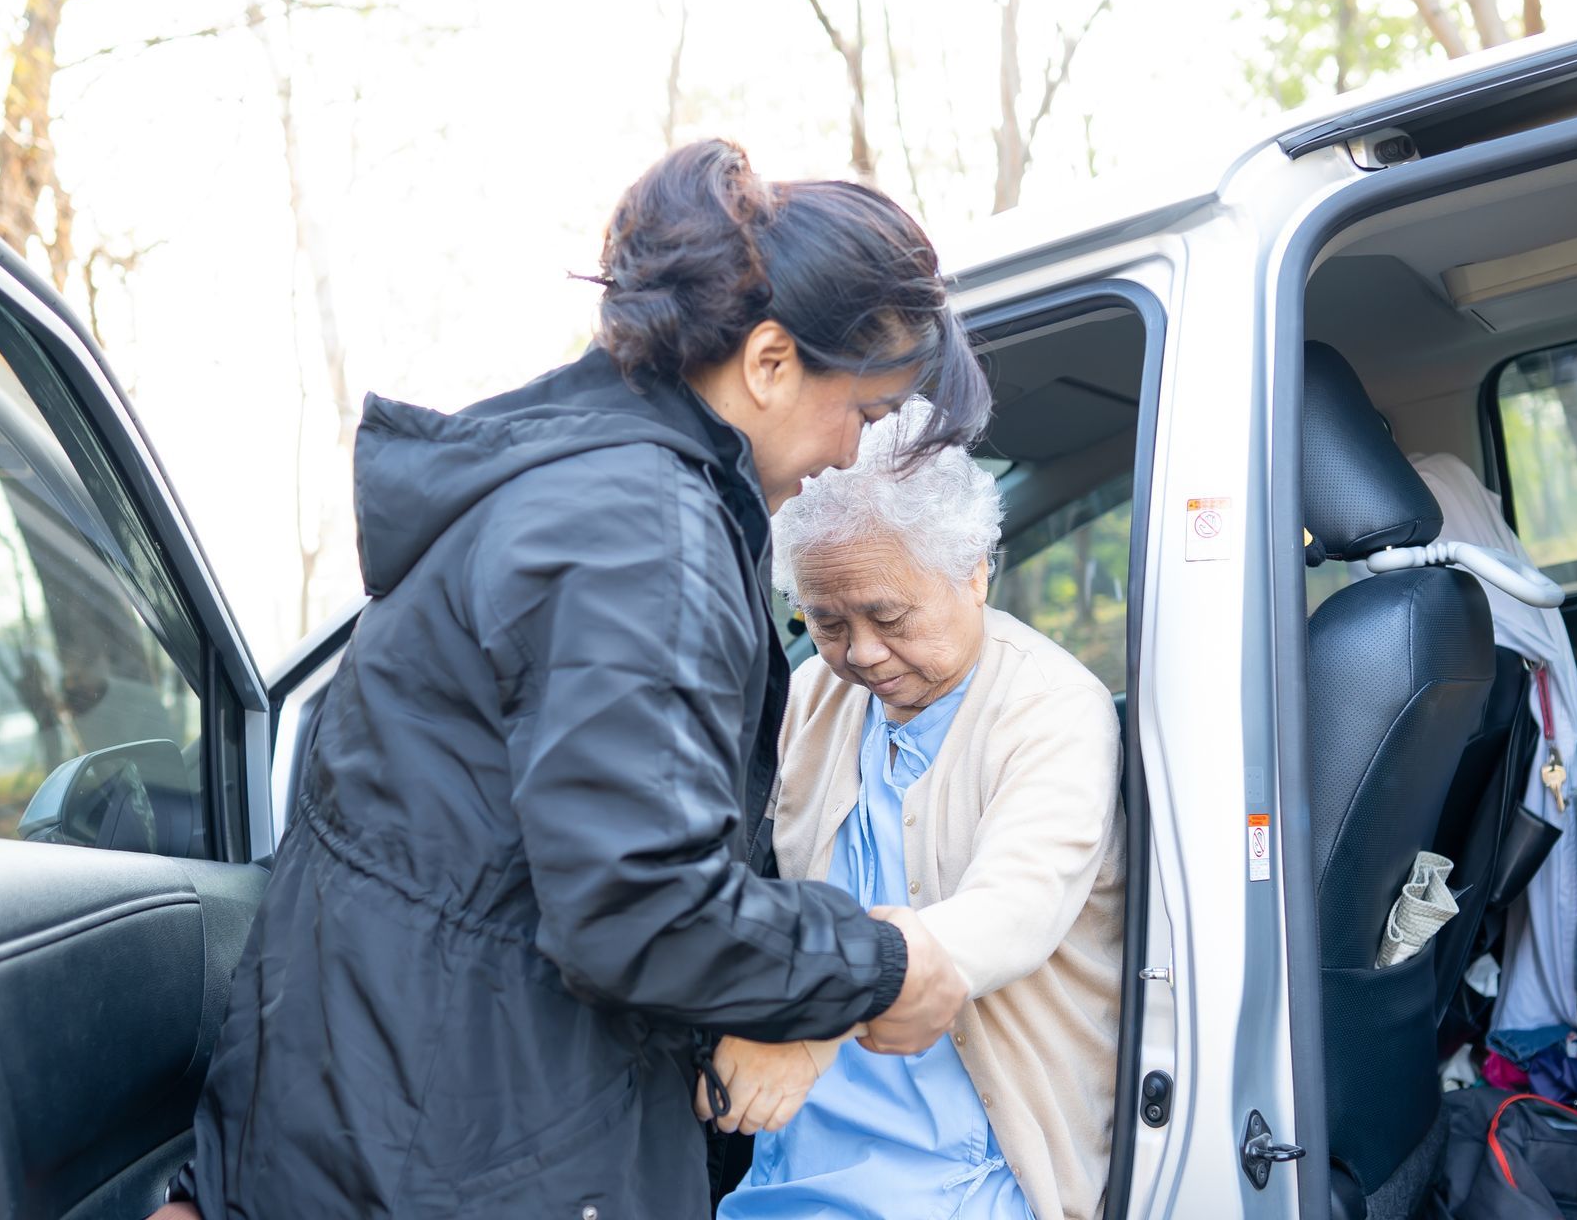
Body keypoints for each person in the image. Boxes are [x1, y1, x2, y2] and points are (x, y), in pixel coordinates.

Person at [164, 140, 990, 1220]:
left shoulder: (579, 493)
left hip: (397, 1133)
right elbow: (641, 903)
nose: (850, 455)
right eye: (868, 413)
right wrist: (879, 966)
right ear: (773, 360)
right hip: (463, 1161)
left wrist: (215, 1175)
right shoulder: (639, 532)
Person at [700, 407, 1125, 1220]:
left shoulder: (1050, 705)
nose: (860, 652)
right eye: (825, 621)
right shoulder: (820, 696)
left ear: (974, 572)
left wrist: (813, 1024)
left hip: (969, 1163)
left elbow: (1013, 911)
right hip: (805, 1144)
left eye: (888, 618)